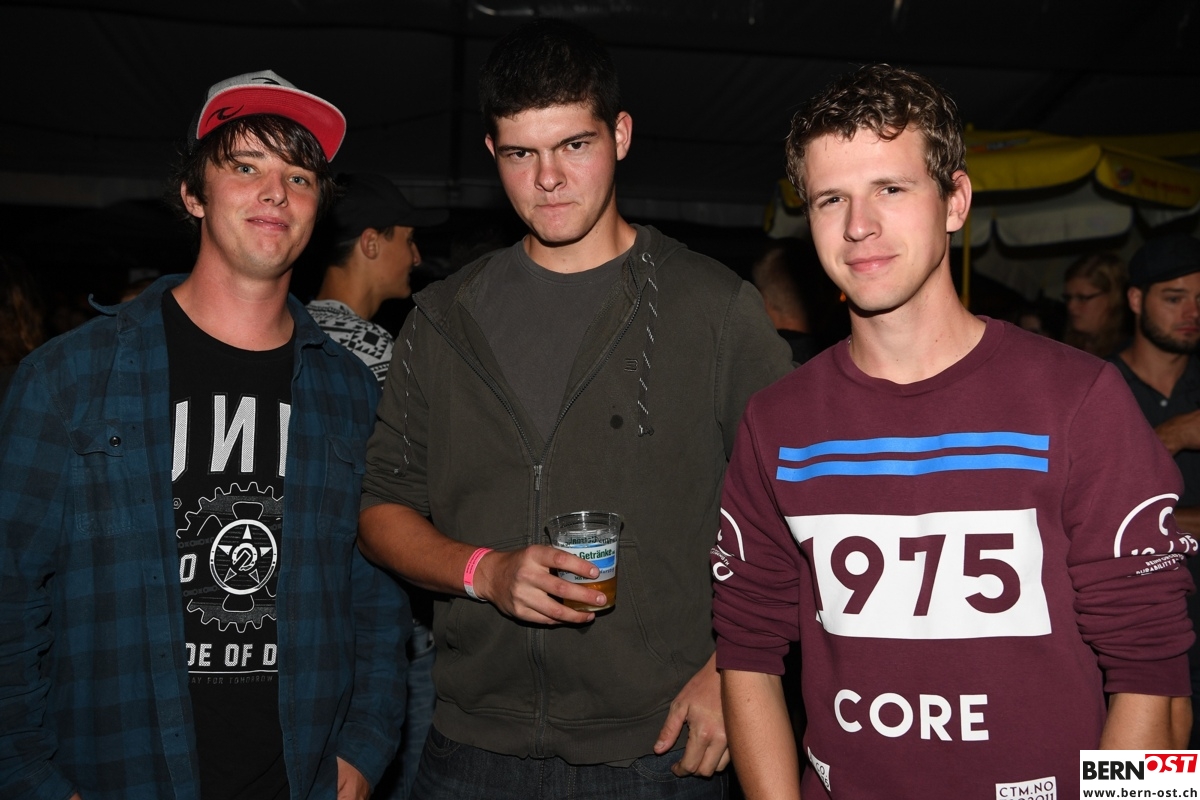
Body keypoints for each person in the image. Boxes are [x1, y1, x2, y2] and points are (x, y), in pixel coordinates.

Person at [711, 64, 1195, 800]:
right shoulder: (776, 420)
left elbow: (1154, 675)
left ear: (955, 201)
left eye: (891, 189)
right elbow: (746, 651)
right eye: (831, 199)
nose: (859, 225)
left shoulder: (1080, 398)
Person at [357, 18, 793, 800]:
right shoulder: (444, 318)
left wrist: (733, 668)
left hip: (655, 750)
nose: (549, 178)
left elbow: (798, 506)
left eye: (574, 145)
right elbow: (381, 509)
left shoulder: (712, 308)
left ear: (620, 135)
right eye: (521, 154)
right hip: (468, 748)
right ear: (492, 153)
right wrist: (483, 573)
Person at [0, 70, 409, 800]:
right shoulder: (68, 379)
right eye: (245, 167)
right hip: (118, 772)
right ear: (194, 194)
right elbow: (9, 597)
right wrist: (31, 779)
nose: (275, 192)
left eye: (299, 177)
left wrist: (364, 747)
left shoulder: (349, 391)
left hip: (303, 777)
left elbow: (375, 590)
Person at [306, 171, 446, 799]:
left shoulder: (290, 334)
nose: (415, 256)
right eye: (406, 239)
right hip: (381, 617)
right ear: (370, 242)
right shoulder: (374, 350)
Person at [1111, 233, 1200, 749]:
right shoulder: (1095, 388)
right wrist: (1175, 435)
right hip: (1132, 645)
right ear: (1136, 299)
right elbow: (1078, 520)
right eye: (1174, 297)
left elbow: (1126, 521)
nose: (1192, 312)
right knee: (1141, 777)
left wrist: (1156, 525)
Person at [1062, 251, 1129, 357]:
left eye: (1082, 298)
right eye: (1068, 298)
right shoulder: (1067, 347)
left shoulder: (1126, 354)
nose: (1071, 306)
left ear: (1113, 298)